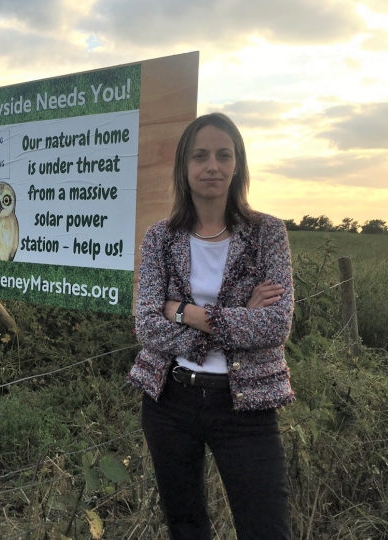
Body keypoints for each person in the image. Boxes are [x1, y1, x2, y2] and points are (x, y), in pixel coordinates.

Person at [128, 112, 295, 540]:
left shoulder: (267, 234)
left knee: (267, 527)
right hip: (170, 400)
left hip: (247, 406)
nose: (212, 166)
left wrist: (184, 311)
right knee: (185, 526)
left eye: (224, 155)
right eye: (200, 156)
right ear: (184, 167)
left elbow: (276, 325)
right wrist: (242, 312)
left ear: (238, 164)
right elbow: (146, 326)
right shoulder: (159, 238)